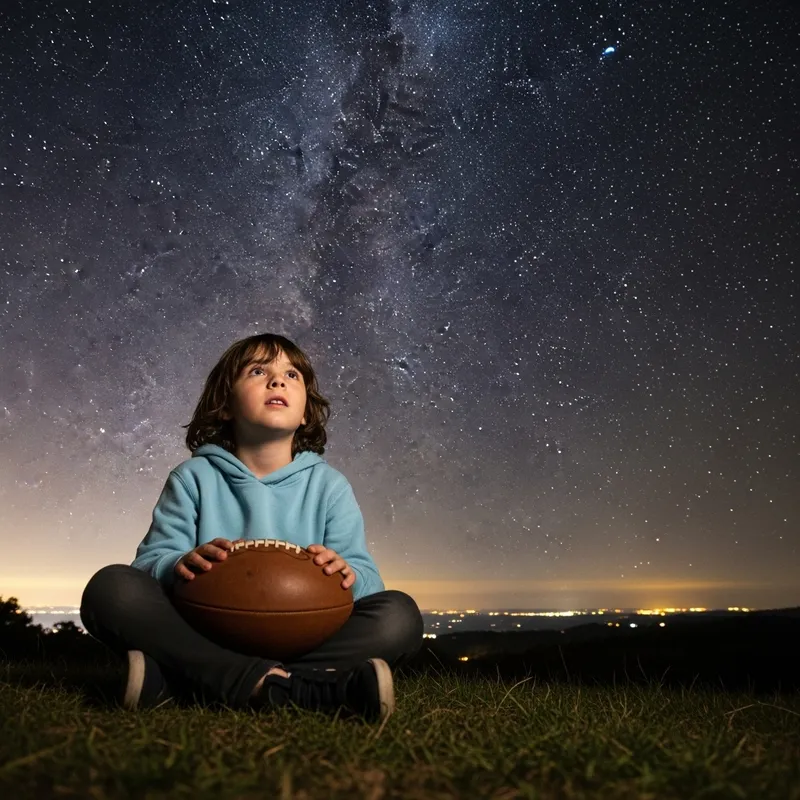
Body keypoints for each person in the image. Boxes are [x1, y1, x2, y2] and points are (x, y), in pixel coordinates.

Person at [80, 333, 424, 724]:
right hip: (207, 634)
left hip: (303, 640)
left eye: (292, 375)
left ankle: (189, 682)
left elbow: (368, 583)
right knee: (111, 588)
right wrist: (178, 564)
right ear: (224, 405)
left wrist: (345, 573)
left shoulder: (330, 486)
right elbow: (148, 565)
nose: (278, 381)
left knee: (400, 614)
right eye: (258, 371)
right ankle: (306, 689)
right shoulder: (194, 477)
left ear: (306, 412)